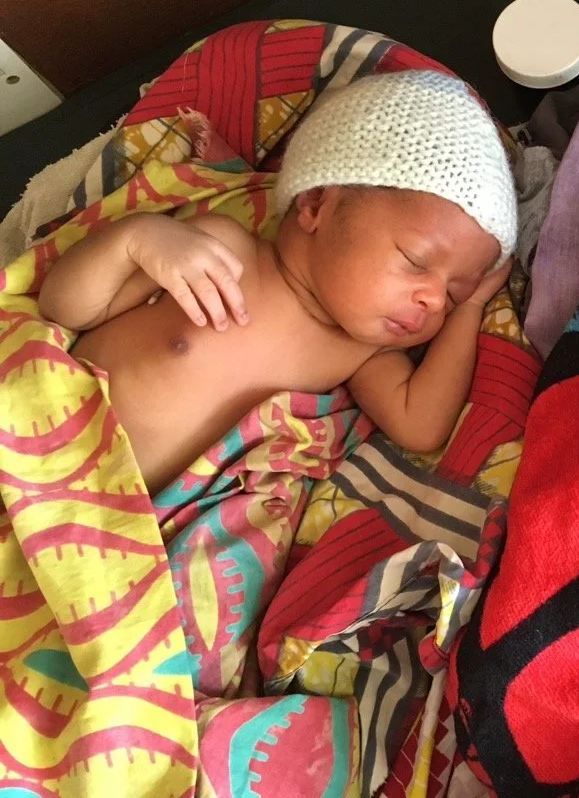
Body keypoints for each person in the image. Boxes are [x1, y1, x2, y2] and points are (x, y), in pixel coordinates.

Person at [37, 69, 517, 495]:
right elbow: (66, 308)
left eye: (450, 295)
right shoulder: (220, 251)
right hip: (39, 440)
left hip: (96, 539)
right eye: (416, 260)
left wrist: (472, 307)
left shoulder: (362, 354)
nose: (434, 299)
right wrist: (137, 240)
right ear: (315, 207)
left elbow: (422, 427)